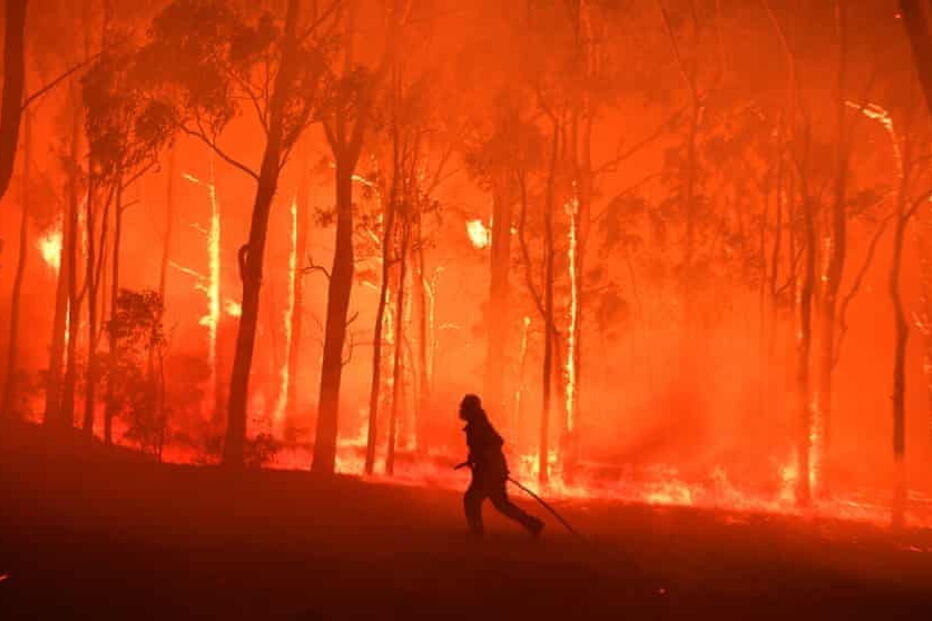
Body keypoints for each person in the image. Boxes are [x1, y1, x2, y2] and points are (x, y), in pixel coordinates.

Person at [458, 394, 543, 537]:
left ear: (471, 409)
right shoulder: (476, 424)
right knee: (501, 504)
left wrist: (485, 460)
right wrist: (475, 458)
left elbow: (496, 443)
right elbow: (482, 447)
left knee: (472, 499)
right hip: (489, 471)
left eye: (465, 407)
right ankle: (532, 524)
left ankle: (476, 531)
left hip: (489, 472)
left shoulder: (479, 425)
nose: (462, 409)